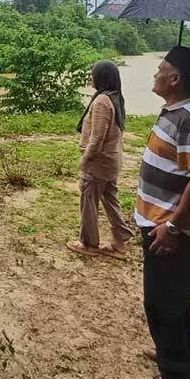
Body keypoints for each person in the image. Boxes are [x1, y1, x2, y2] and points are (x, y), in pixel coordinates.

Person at [135, 47, 190, 379]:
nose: (155, 73)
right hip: (156, 222)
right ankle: (176, 355)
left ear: (175, 78)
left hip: (169, 230)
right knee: (172, 301)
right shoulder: (174, 112)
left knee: (162, 303)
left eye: (161, 68)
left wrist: (174, 227)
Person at [67, 60, 135, 259]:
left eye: (93, 74)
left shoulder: (102, 101)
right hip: (111, 161)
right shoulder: (114, 98)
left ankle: (89, 244)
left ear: (101, 77)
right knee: (111, 200)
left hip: (99, 163)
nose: (91, 77)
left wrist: (86, 159)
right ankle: (120, 243)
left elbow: (97, 137)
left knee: (88, 200)